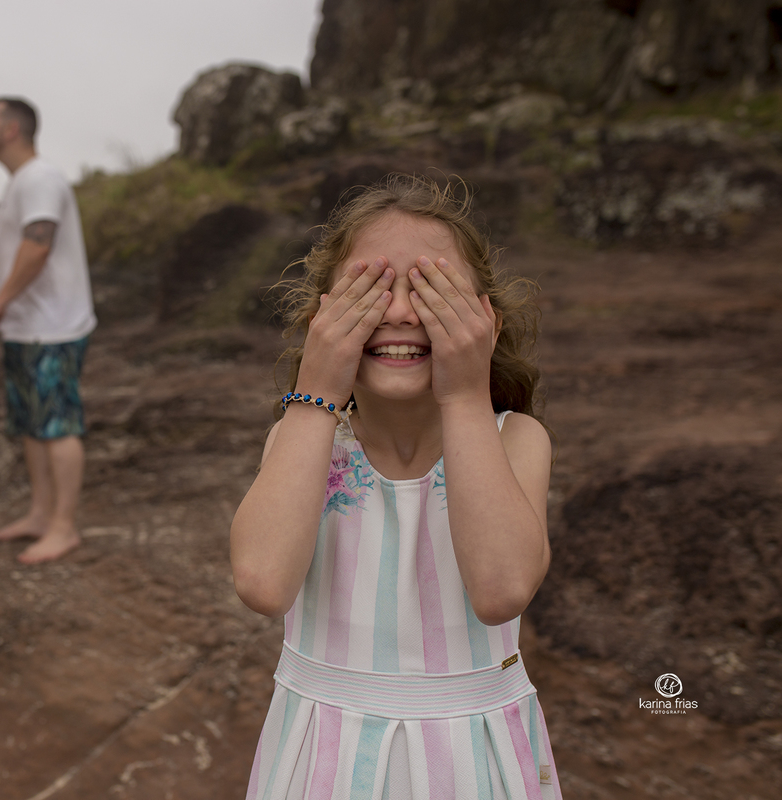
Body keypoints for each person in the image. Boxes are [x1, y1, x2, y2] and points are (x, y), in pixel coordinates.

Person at [231, 175, 562, 798]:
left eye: (433, 289)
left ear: (484, 318)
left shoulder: (514, 439)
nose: (404, 313)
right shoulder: (302, 443)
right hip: (321, 760)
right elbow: (262, 584)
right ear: (324, 314)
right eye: (372, 288)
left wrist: (464, 392)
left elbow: (500, 591)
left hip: (475, 764)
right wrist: (316, 396)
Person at [0, 97, 97, 564]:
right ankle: (41, 514)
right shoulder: (20, 183)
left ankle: (64, 527)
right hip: (27, 326)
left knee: (58, 424)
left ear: (10, 130)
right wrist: (5, 314)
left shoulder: (40, 178)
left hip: (54, 325)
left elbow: (37, 245)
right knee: (32, 424)